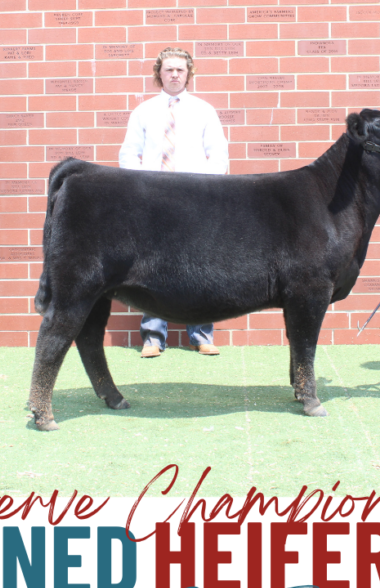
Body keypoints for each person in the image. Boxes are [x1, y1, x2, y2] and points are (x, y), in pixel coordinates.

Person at [119, 46, 229, 358]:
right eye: (169, 69)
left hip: (195, 198)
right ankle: (153, 337)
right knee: (152, 267)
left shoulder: (204, 110)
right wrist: (142, 188)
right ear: (159, 74)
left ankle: (201, 334)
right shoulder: (144, 111)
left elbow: (218, 153)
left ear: (189, 73)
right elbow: (129, 153)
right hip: (154, 199)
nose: (175, 74)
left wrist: (204, 188)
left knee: (200, 265)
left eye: (180, 69)